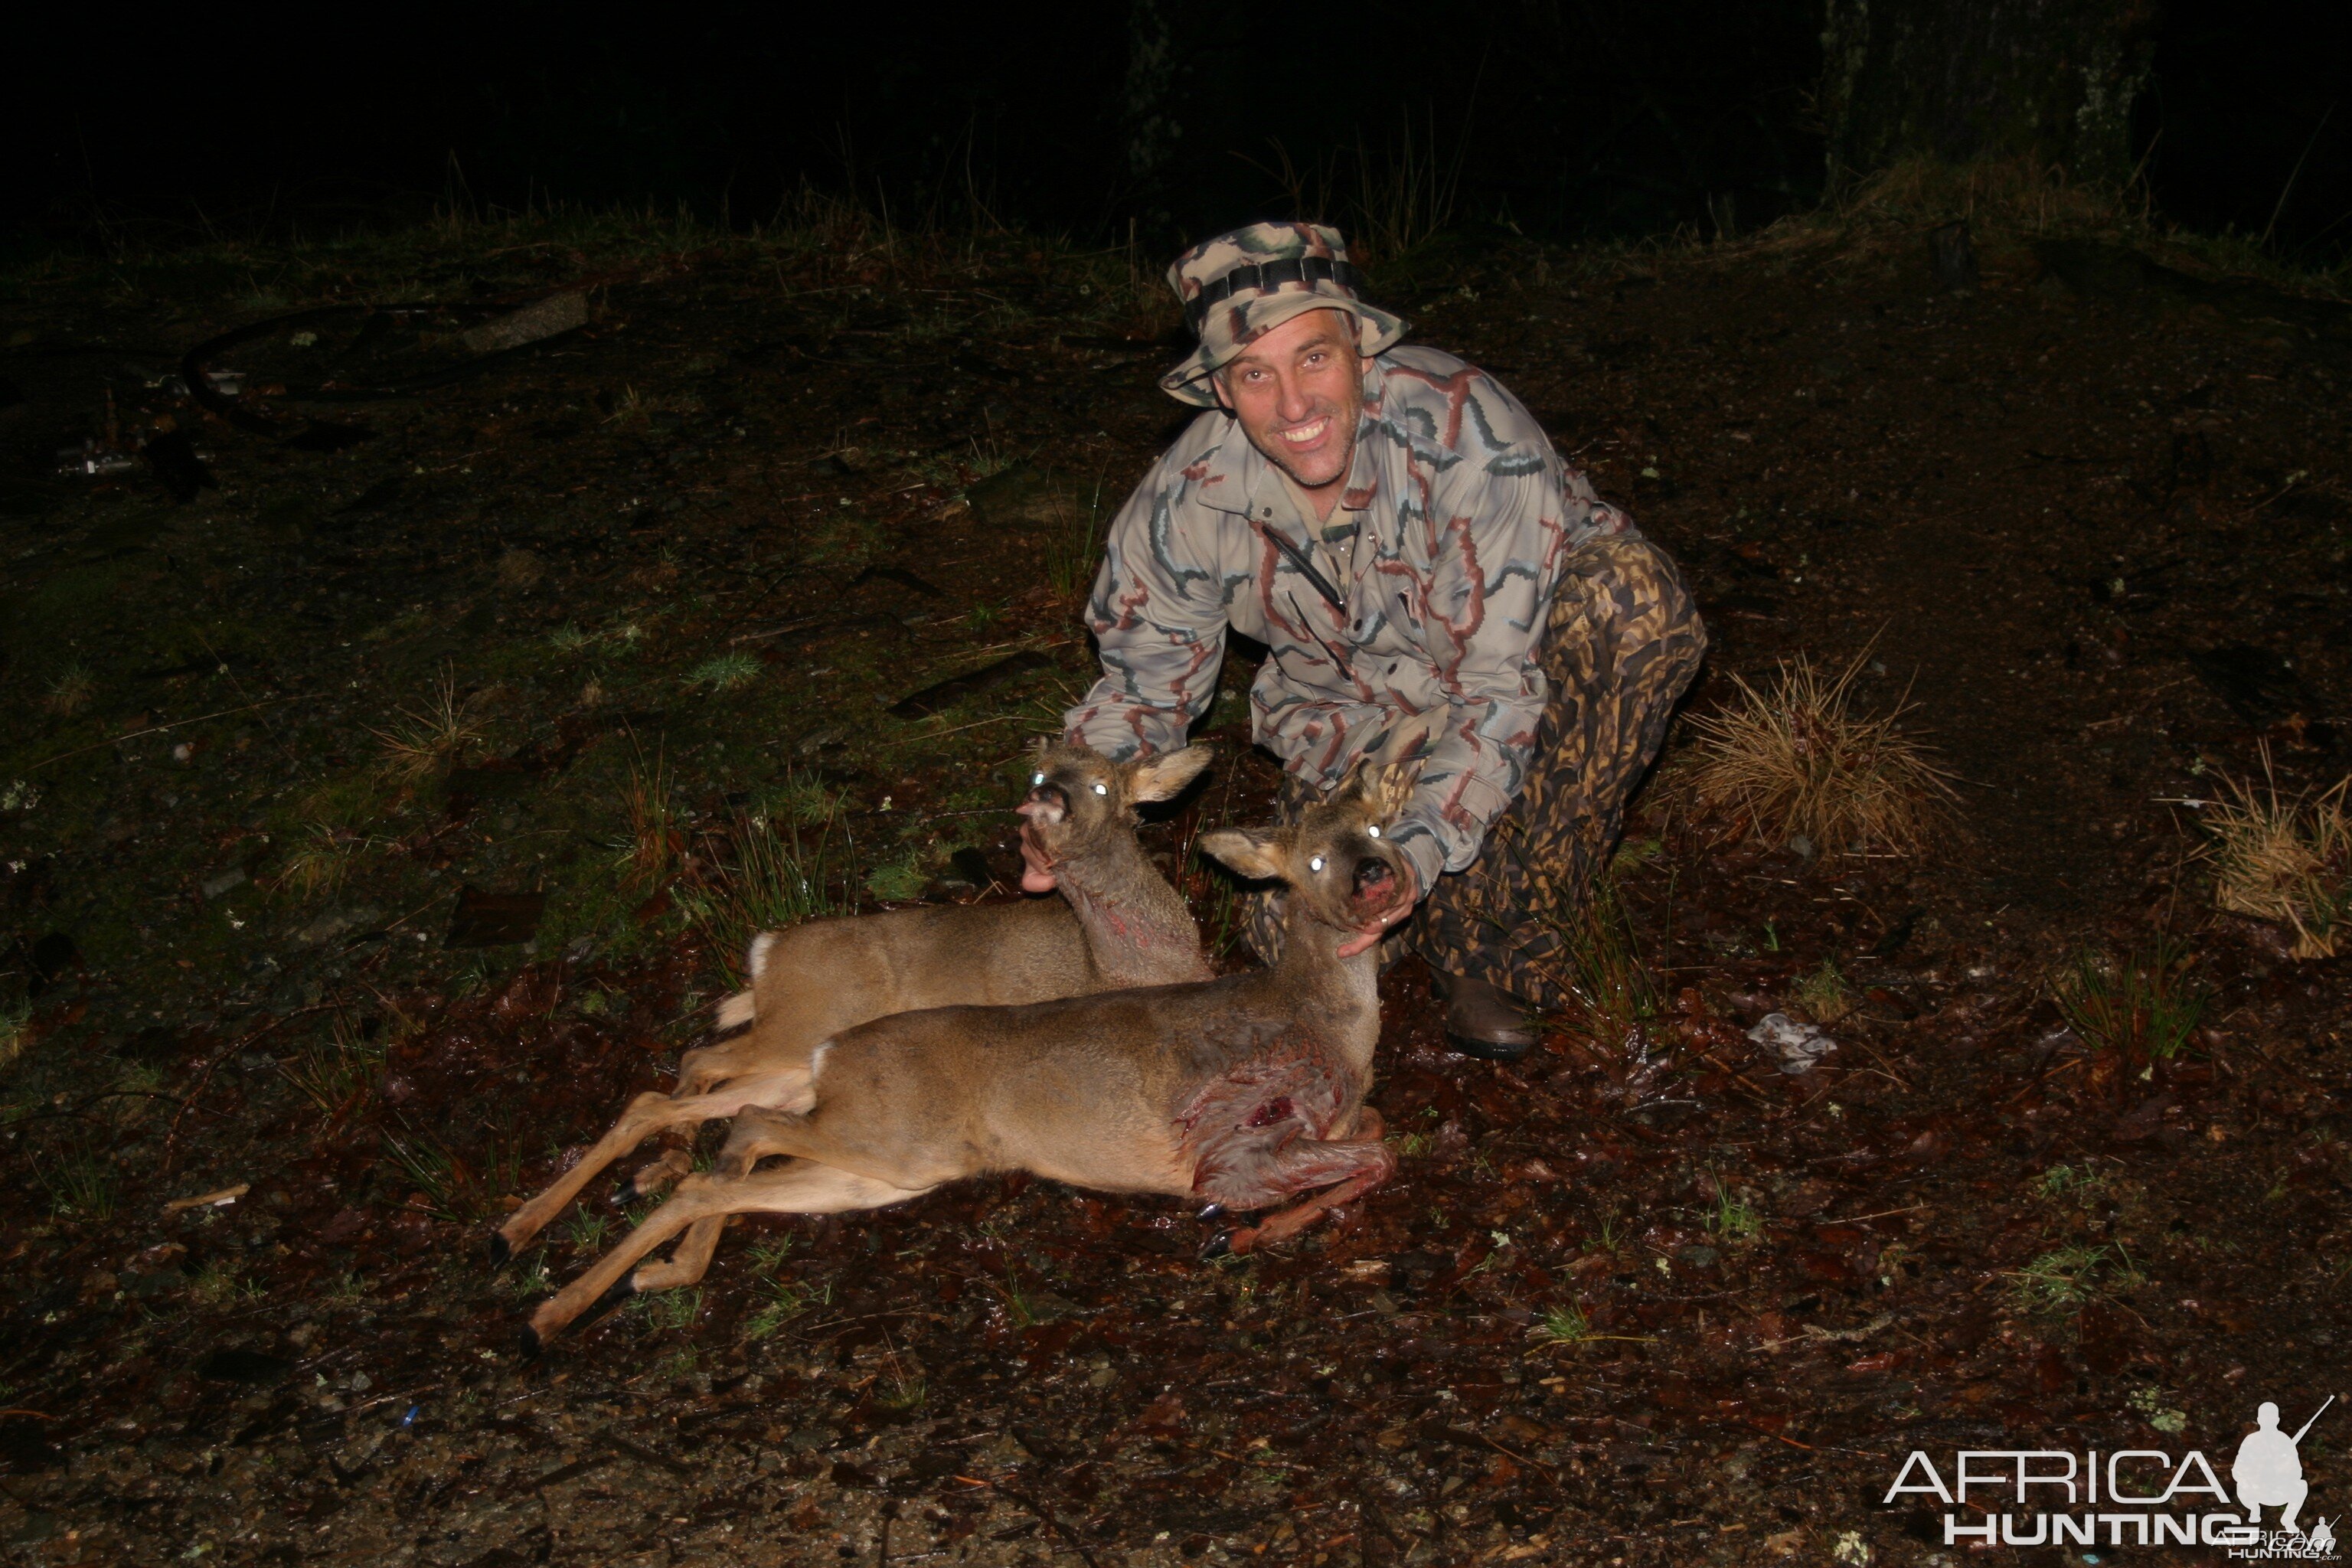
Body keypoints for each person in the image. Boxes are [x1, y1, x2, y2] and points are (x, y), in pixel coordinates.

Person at [1058, 221, 1706, 1060]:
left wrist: (1418, 853)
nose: (1294, 406)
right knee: (1275, 925)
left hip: (1527, 682)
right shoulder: (1186, 497)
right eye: (1255, 374)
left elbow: (1495, 693)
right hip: (1363, 726)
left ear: (1361, 349)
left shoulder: (1470, 434)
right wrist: (1073, 800)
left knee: (1633, 602)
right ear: (1220, 388)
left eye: (1315, 358)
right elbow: (1144, 686)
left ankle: (1495, 940)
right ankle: (1434, 896)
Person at [2233, 1400, 2314, 1534]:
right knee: (2241, 1486)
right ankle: (2254, 1509)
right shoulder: (2251, 1441)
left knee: (2301, 1485)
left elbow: (2297, 1472)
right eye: (2265, 1416)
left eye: (2271, 1416)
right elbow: (2238, 1470)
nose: (2268, 1420)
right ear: (2259, 1419)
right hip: (2256, 1490)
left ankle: (2288, 1519)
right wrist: (2256, 1471)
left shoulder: (2284, 1440)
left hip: (2278, 1490)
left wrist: (2282, 1469)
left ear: (2277, 1419)